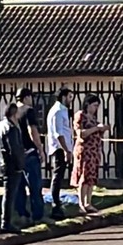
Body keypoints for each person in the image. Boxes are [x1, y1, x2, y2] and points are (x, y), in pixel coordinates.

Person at [15, 88, 49, 223]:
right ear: (26, 97)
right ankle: (38, 216)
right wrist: (40, 149)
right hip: (29, 152)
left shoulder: (12, 113)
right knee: (35, 186)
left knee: (19, 187)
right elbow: (32, 130)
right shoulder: (28, 111)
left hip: (16, 154)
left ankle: (22, 214)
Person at [72, 94, 109, 215]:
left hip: (94, 151)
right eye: (94, 105)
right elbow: (81, 134)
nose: (96, 108)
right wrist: (96, 128)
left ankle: (88, 202)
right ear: (87, 104)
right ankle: (81, 203)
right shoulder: (80, 116)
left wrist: (102, 129)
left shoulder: (93, 118)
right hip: (84, 150)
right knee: (83, 176)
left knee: (91, 177)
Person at [0, 103, 25, 235]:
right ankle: (6, 222)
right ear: (14, 114)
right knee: (10, 194)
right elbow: (14, 149)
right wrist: (20, 165)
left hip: (1, 164)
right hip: (11, 165)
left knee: (8, 193)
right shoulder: (11, 128)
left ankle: (6, 221)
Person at [46, 87, 75, 216]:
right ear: (63, 97)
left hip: (62, 148)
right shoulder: (58, 111)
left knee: (59, 176)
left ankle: (57, 203)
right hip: (59, 149)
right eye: (69, 97)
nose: (71, 100)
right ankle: (55, 205)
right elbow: (59, 134)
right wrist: (66, 150)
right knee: (57, 176)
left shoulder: (62, 111)